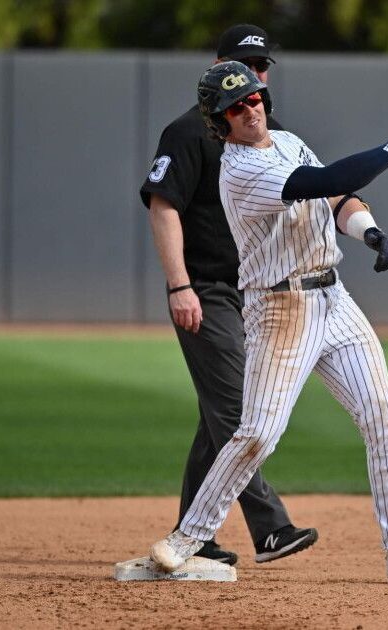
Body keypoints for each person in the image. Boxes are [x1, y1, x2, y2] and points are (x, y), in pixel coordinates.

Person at [149, 60, 388, 585]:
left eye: (254, 97)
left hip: (335, 299)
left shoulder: (288, 141)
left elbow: (335, 197)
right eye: (235, 106)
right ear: (221, 121)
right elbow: (325, 179)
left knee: (382, 418)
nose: (249, 108)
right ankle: (185, 538)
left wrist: (368, 232)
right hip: (281, 310)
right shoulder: (239, 169)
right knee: (257, 433)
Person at [139, 25, 325, 566]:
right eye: (244, 63)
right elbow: (163, 205)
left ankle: (192, 532)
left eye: (262, 66)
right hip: (210, 290)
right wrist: (180, 284)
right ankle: (270, 527)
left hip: (258, 294)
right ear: (216, 66)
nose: (255, 76)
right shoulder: (188, 133)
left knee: (214, 418)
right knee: (239, 408)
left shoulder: (275, 135)